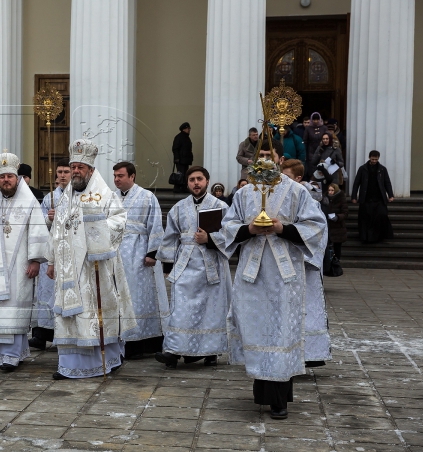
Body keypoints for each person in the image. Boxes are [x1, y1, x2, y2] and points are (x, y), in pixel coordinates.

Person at [216, 139, 327, 420]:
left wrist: (283, 228)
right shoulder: (244, 194)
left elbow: (315, 225)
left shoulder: (297, 191)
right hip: (252, 276)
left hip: (284, 276)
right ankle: (262, 392)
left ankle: (280, 400)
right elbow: (228, 226)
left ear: (279, 159)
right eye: (260, 155)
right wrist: (249, 228)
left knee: (281, 332)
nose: (264, 159)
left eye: (269, 155)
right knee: (257, 330)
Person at [46, 138, 137, 379]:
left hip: (95, 267)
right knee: (70, 317)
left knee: (97, 315)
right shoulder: (66, 196)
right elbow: (58, 228)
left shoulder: (104, 194)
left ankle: (104, 361)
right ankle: (70, 364)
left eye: (80, 168)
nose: (76, 171)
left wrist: (95, 233)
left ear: (91, 170)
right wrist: (52, 260)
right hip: (68, 269)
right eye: (73, 166)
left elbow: (119, 222)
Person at [0, 151, 49, 372]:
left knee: (14, 310)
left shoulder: (29, 203)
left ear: (17, 178)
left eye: (10, 177)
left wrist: (36, 260)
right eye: (2, 177)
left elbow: (38, 232)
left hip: (19, 267)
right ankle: (3, 354)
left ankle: (12, 356)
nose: (6, 180)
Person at [155, 166, 231, 369]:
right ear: (187, 183)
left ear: (207, 181)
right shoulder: (179, 207)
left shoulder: (220, 206)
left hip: (211, 265)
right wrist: (168, 264)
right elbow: (170, 236)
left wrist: (210, 239)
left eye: (199, 179)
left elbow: (231, 235)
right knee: (181, 308)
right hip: (185, 263)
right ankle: (172, 351)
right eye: (192, 180)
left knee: (210, 310)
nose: (196, 183)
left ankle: (211, 351)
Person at [112, 161, 168, 360]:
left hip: (139, 254)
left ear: (132, 176)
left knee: (139, 297)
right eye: (115, 176)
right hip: (116, 255)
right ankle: (121, 340)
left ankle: (144, 342)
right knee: (119, 297)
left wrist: (152, 252)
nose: (116, 180)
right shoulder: (111, 198)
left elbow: (155, 224)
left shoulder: (147, 196)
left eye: (120, 176)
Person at [280, 159, 332, 369]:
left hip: (303, 264)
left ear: (298, 178)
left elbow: (319, 232)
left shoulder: (310, 202)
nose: (283, 182)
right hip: (283, 264)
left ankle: (310, 353)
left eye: (288, 178)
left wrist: (309, 258)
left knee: (306, 308)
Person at [30, 158, 71, 350]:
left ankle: (64, 335)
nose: (62, 175)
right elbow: (40, 225)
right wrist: (48, 218)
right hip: (51, 251)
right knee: (46, 293)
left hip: (70, 251)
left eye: (66, 172)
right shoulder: (49, 198)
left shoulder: (78, 196)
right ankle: (41, 334)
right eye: (59, 172)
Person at [351, 151, 394, 243]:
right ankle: (367, 237)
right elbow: (356, 183)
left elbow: (387, 183)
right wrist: (354, 196)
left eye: (376, 159)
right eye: (372, 159)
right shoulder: (362, 169)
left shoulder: (382, 169)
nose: (374, 161)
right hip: (366, 198)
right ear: (369, 157)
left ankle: (378, 236)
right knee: (366, 217)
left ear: (378, 158)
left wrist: (390, 195)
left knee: (381, 215)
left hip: (379, 198)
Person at [326, 183, 348, 260]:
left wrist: (337, 217)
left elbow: (345, 213)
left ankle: (336, 262)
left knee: (337, 247)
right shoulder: (326, 199)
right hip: (328, 225)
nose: (330, 192)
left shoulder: (341, 199)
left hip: (338, 227)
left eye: (332, 190)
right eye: (329, 190)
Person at [303, 112, 328, 179]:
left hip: (322, 150)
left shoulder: (324, 128)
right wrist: (305, 153)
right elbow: (305, 141)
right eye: (314, 120)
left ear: (320, 119)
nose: (316, 121)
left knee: (322, 167)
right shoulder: (308, 128)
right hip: (311, 151)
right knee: (312, 169)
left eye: (317, 119)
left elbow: (327, 139)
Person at [172, 122, 193, 193]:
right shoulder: (179, 137)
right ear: (184, 129)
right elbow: (175, 148)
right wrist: (177, 158)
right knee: (180, 174)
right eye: (188, 128)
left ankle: (183, 187)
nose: (189, 130)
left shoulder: (186, 137)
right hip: (181, 160)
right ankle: (178, 188)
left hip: (185, 160)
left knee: (184, 174)